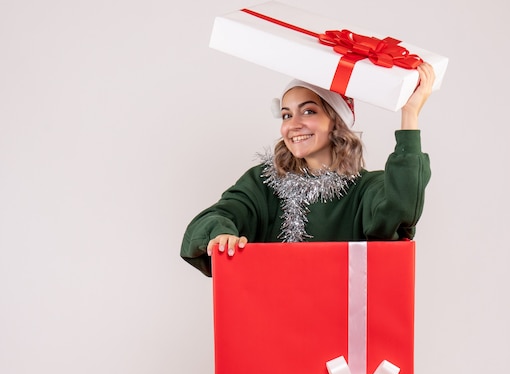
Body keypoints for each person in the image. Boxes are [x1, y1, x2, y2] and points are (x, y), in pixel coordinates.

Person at [181, 63, 436, 276]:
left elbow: (402, 204)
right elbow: (217, 216)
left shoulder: (365, 189)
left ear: (336, 121)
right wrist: (222, 234)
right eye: (286, 115)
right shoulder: (263, 182)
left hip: (341, 326)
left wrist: (409, 115)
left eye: (308, 111)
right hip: (269, 322)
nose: (294, 125)